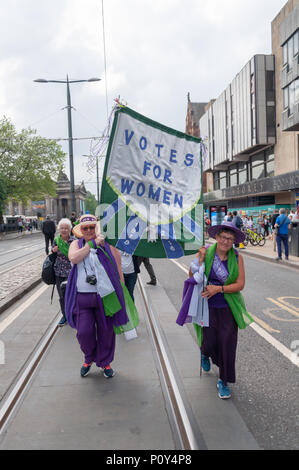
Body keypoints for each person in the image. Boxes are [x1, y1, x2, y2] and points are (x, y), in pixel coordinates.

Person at [176, 221, 253, 399]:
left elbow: (240, 284)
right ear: (217, 237)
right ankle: (205, 352)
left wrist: (219, 289)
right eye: (223, 237)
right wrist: (199, 259)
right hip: (207, 306)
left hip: (228, 306)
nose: (226, 242)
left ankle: (223, 381)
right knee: (209, 341)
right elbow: (191, 276)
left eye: (230, 239)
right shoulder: (206, 252)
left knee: (227, 344)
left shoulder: (237, 257)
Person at [65, 214, 128, 379]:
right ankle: (89, 358)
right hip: (82, 297)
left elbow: (118, 267)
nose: (88, 230)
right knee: (83, 333)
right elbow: (74, 258)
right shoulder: (75, 244)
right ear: (81, 230)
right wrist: (91, 244)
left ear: (96, 228)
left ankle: (105, 362)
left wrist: (121, 291)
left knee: (106, 332)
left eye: (91, 227)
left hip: (105, 295)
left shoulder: (107, 244)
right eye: (85, 228)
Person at [52, 218, 75, 326]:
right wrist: (53, 250)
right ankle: (65, 315)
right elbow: (52, 252)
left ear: (70, 229)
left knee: (71, 294)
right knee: (61, 296)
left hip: (71, 272)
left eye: (66, 228)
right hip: (58, 272)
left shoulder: (74, 241)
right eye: (62, 228)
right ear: (59, 229)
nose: (64, 230)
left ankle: (73, 314)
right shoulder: (56, 240)